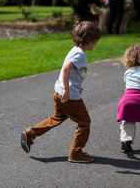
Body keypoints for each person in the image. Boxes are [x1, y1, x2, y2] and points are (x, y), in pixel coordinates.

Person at [21, 21, 101, 163]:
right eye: (96, 41)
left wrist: (75, 85)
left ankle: (31, 133)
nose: (96, 44)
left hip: (59, 91)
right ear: (90, 41)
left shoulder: (75, 50)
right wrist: (68, 89)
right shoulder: (80, 55)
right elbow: (66, 69)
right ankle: (76, 153)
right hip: (69, 96)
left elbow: (74, 72)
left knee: (57, 118)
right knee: (84, 122)